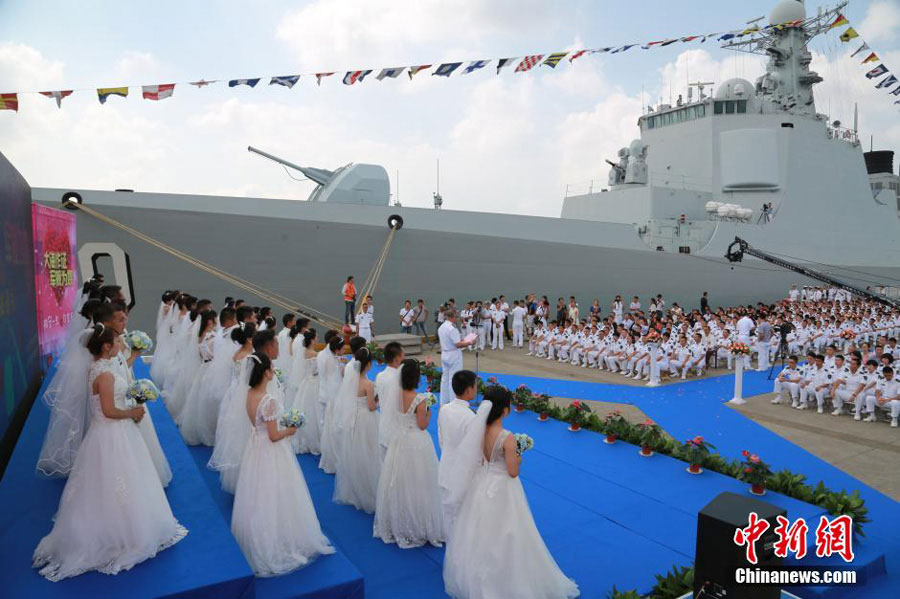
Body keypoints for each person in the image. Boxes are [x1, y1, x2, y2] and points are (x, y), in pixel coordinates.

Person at [33, 324, 187, 581]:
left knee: (110, 481)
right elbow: (108, 411)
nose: (120, 344)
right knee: (120, 478)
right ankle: (124, 531)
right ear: (106, 347)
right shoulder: (104, 374)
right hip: (111, 433)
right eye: (116, 341)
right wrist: (133, 412)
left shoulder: (99, 368)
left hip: (110, 432)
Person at [443, 385, 579, 599]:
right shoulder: (507, 437)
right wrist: (518, 455)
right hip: (503, 488)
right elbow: (513, 471)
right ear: (505, 410)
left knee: (481, 532)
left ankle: (480, 580)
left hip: (482, 483)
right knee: (511, 532)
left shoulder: (478, 430)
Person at [231, 352, 334, 576]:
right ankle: (278, 539)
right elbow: (273, 436)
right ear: (266, 372)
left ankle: (258, 535)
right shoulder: (268, 400)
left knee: (258, 494)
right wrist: (291, 430)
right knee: (276, 493)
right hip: (270, 450)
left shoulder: (249, 394)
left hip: (254, 448)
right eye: (271, 367)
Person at [373, 359, 444, 548]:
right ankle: (419, 521)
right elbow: (422, 425)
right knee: (420, 480)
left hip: (398, 440)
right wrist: (428, 413)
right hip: (416, 442)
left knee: (399, 480)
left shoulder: (395, 396)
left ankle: (399, 519)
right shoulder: (420, 399)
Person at [437, 370, 491, 535]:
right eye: (475, 387)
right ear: (468, 390)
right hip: (464, 466)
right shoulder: (470, 417)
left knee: (447, 504)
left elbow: (441, 437)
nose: (476, 390)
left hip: (446, 461)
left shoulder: (444, 409)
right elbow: (474, 448)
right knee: (463, 506)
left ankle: (447, 534)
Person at [208, 322, 258, 493]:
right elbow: (250, 380)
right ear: (250, 338)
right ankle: (249, 476)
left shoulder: (238, 353)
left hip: (234, 393)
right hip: (244, 395)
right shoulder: (249, 356)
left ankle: (239, 475)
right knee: (246, 432)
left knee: (235, 432)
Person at [333, 347, 381, 513]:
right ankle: (369, 488)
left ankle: (354, 488)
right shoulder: (368, 384)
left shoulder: (350, 380)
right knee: (370, 451)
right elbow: (371, 406)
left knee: (355, 451)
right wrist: (378, 399)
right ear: (367, 365)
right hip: (366, 419)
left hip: (353, 417)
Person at [292, 329, 323, 455]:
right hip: (314, 383)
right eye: (316, 337)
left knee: (306, 409)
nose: (317, 339)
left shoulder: (304, 352)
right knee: (315, 411)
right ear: (311, 340)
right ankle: (315, 439)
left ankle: (304, 438)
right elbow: (316, 370)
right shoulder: (314, 354)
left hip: (306, 382)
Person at [318, 334, 345, 474]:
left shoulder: (327, 356)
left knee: (328, 423)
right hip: (333, 393)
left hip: (328, 391)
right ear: (336, 350)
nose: (344, 350)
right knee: (335, 425)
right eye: (342, 348)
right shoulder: (330, 360)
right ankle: (336, 455)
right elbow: (334, 377)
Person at [375, 341, 405, 460]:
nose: (404, 359)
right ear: (397, 359)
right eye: (403, 356)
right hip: (397, 428)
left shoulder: (380, 375)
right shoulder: (400, 378)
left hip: (383, 425)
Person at [438, 310, 474, 405]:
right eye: (456, 317)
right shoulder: (451, 328)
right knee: (453, 379)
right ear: (452, 317)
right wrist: (469, 342)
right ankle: (453, 402)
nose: (456, 319)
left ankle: (443, 401)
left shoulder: (441, 327)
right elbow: (457, 344)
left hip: (445, 353)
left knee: (444, 378)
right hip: (453, 354)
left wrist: (463, 340)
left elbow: (454, 340)